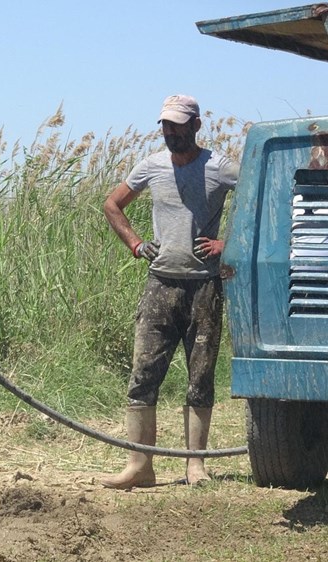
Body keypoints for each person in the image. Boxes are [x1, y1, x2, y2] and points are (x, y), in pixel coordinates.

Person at [102, 95, 239, 488]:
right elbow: (113, 204)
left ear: (196, 125)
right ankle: (139, 467)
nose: (171, 133)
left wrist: (227, 243)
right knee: (143, 374)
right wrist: (135, 243)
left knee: (200, 376)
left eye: (178, 125)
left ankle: (195, 466)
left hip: (205, 287)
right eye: (166, 125)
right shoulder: (152, 166)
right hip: (160, 284)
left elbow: (260, 198)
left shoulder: (220, 167)